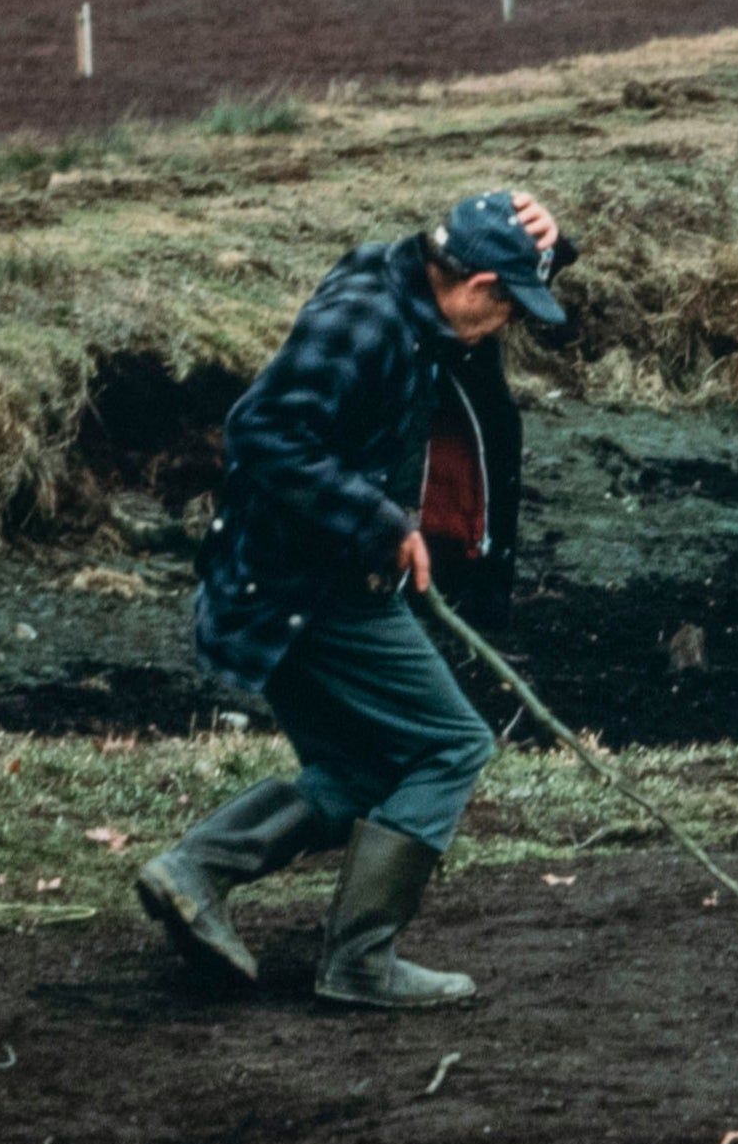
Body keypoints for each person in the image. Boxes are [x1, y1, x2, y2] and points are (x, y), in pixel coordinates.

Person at [137, 183, 573, 1008]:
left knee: (354, 769)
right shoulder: (366, 321)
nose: (510, 327)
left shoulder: (406, 284)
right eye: (511, 307)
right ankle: (361, 962)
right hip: (307, 589)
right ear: (477, 287)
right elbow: (261, 431)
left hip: (303, 579)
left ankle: (195, 870)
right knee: (451, 746)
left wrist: (558, 244)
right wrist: (379, 520)